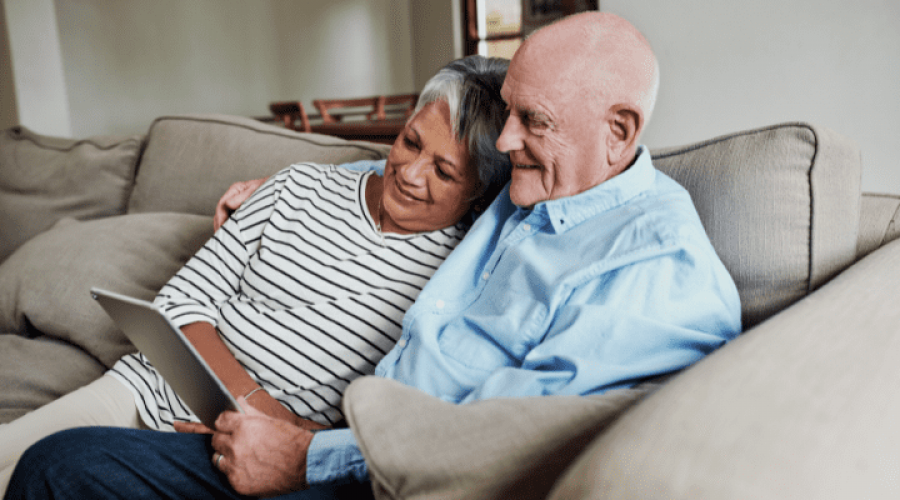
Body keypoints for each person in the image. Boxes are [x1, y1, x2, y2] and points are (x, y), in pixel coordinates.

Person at [6, 12, 743, 500]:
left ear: (619, 129)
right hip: (323, 447)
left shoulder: (652, 266)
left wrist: (305, 455)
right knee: (59, 463)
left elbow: (506, 438)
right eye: (512, 113)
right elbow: (413, 168)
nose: (512, 140)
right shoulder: (541, 190)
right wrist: (291, 190)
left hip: (368, 477)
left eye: (532, 121)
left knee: (59, 471)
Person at [0, 54, 512, 496]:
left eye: (444, 172)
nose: (410, 171)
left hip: (250, 452)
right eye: (409, 141)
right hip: (147, 388)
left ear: (477, 191)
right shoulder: (298, 186)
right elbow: (181, 304)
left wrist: (271, 434)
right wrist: (252, 405)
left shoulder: (458, 269)